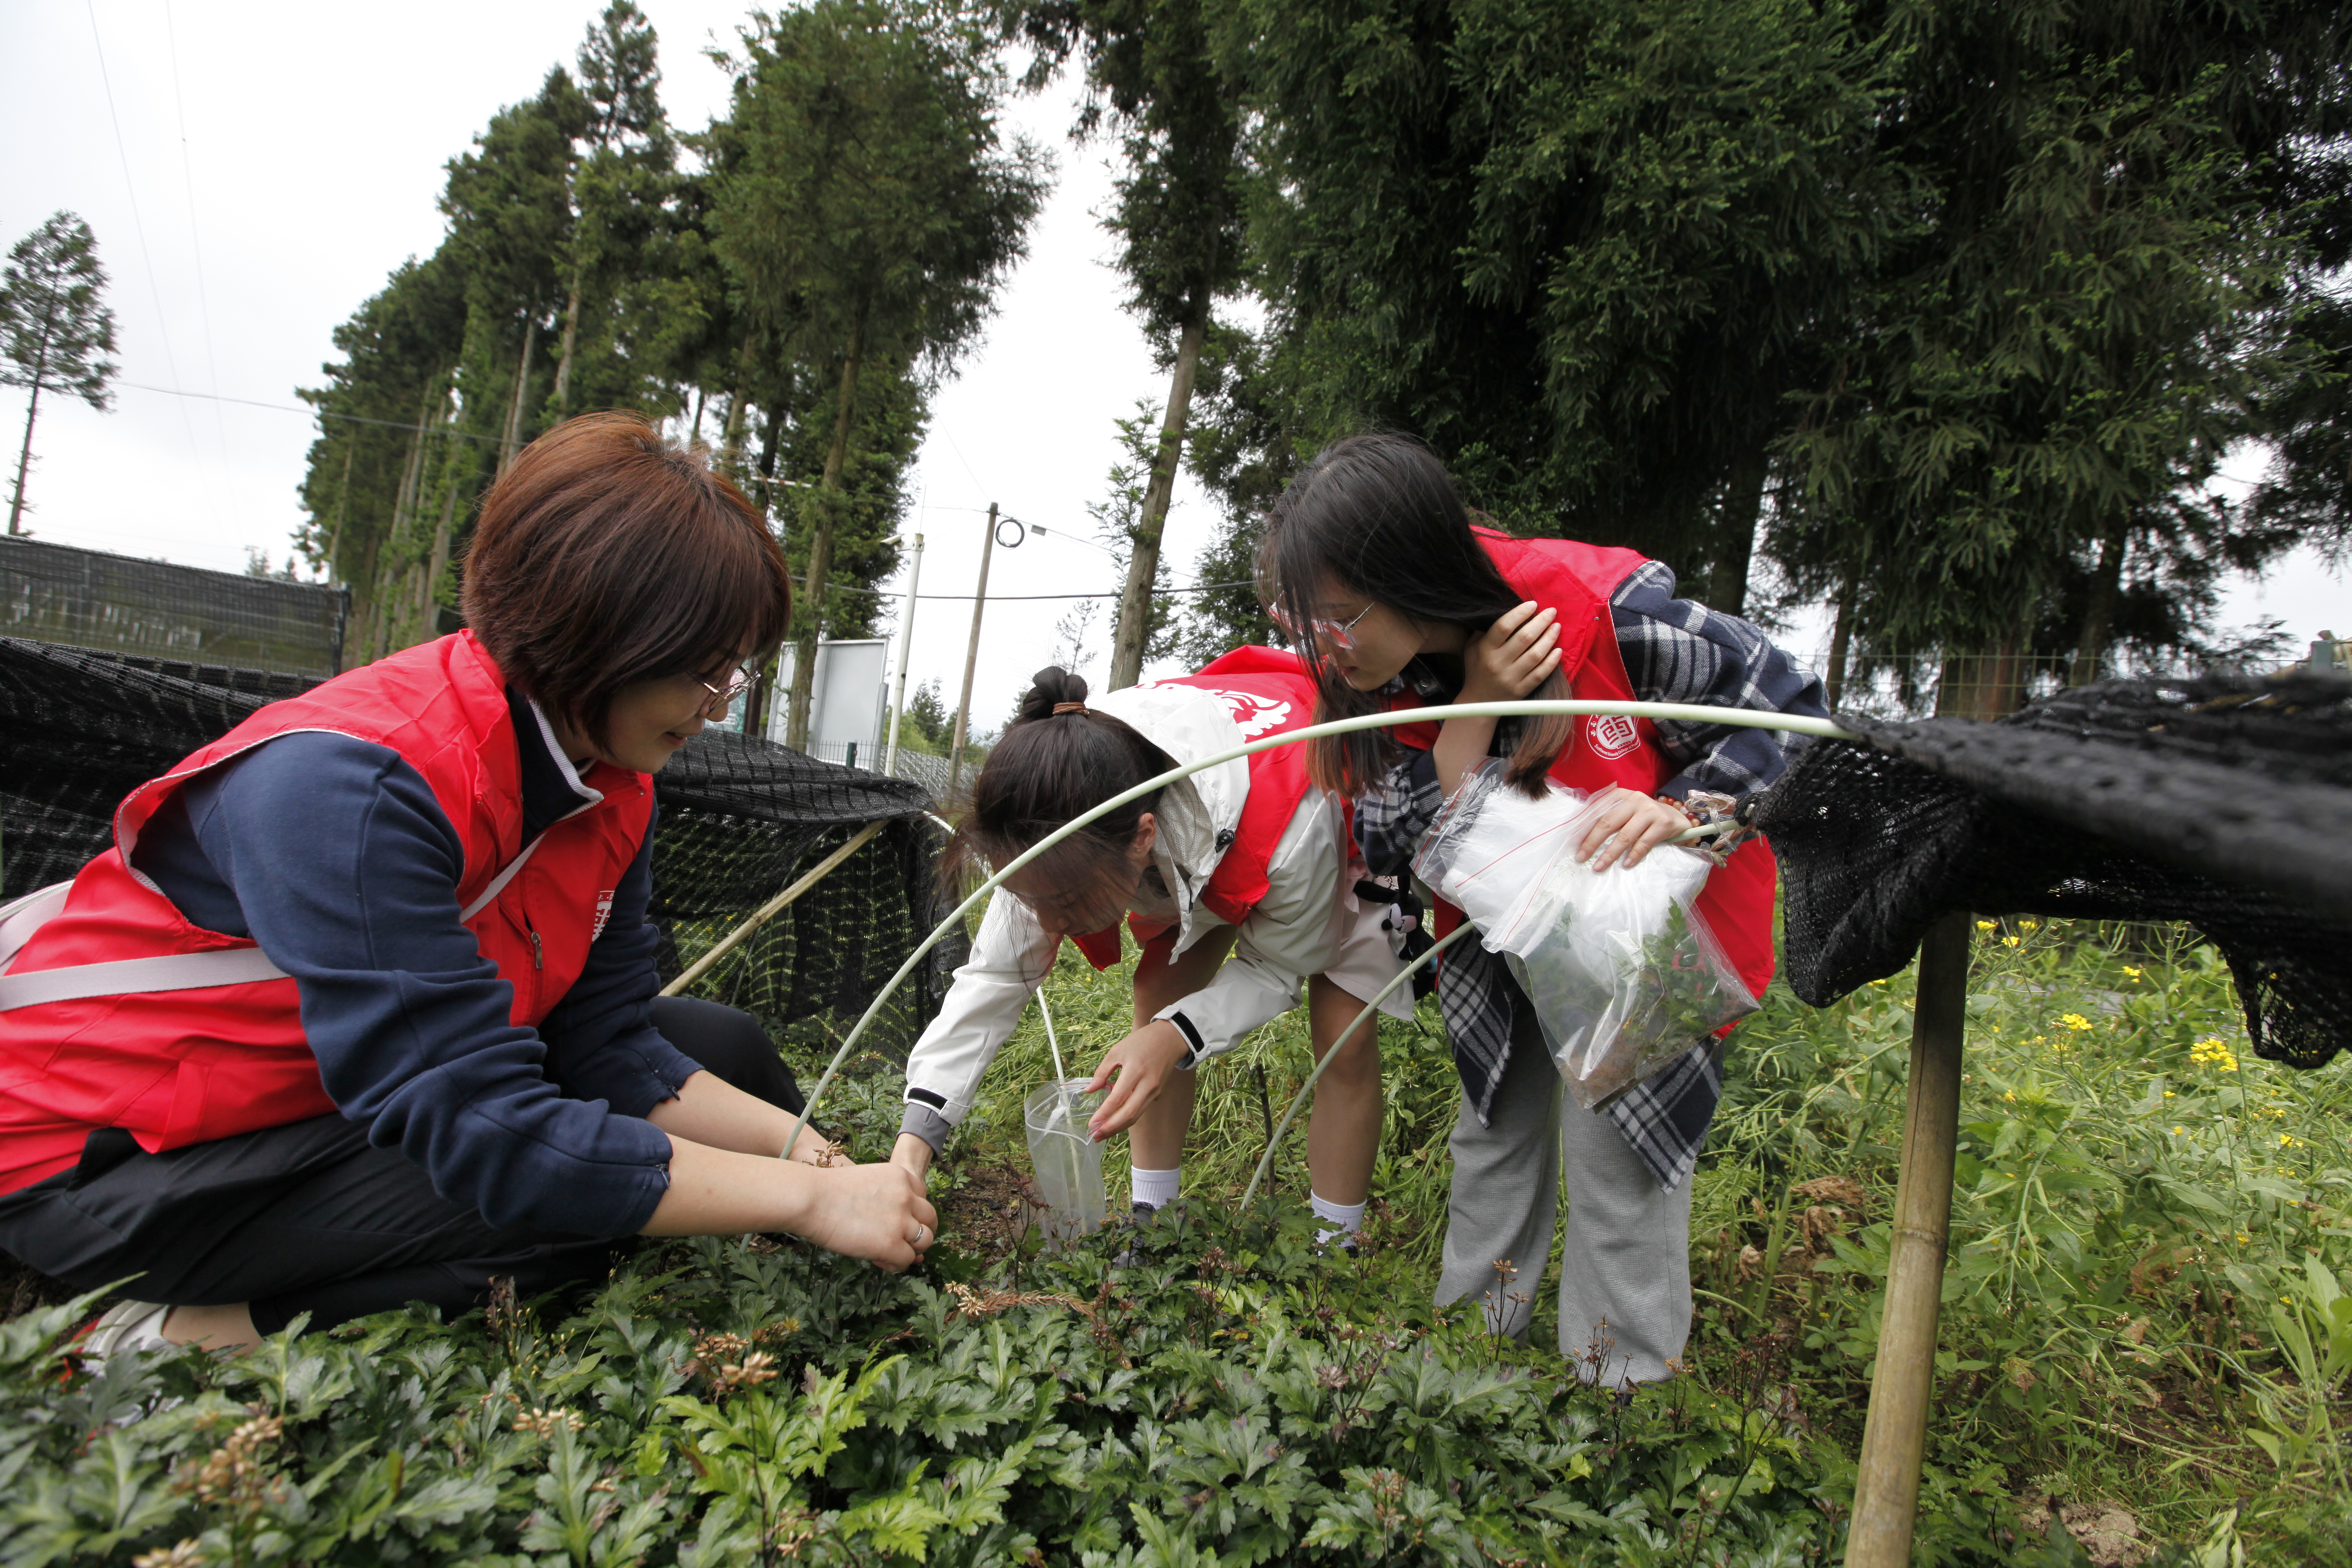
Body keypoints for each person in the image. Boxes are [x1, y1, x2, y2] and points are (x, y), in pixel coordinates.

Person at [0, 412, 936, 1355]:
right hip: (116, 1157)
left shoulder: (615, 785)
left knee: (716, 1043)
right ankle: (168, 1337)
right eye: (704, 668)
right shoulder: (352, 789)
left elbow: (607, 1044)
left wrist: (814, 1158)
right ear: (600, 634)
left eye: (734, 668)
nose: (719, 700)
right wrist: (811, 1201)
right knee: (560, 1204)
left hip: (323, 1092)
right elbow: (486, 1128)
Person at [1259, 431, 1826, 1385]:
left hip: (1634, 941)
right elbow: (1395, 839)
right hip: (1500, 943)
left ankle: (1618, 1404)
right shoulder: (1368, 684)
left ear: (1407, 575)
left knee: (1620, 1169)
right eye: (1303, 620)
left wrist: (1682, 810)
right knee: (1494, 1139)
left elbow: (1791, 707)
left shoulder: (1608, 614)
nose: (1324, 646)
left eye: (1339, 616)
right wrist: (1476, 703)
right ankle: (1472, 1370)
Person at [889, 656, 1409, 1244]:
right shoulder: (1057, 809)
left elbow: (1280, 968)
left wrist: (1176, 1036)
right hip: (1191, 835)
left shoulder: (1297, 823)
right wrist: (912, 1151)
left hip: (1328, 801)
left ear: (1141, 840)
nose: (1048, 923)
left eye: (1062, 902)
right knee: (1159, 993)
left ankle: (1333, 1252)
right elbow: (994, 980)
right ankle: (1152, 1223)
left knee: (1344, 1032)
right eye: (1030, 898)